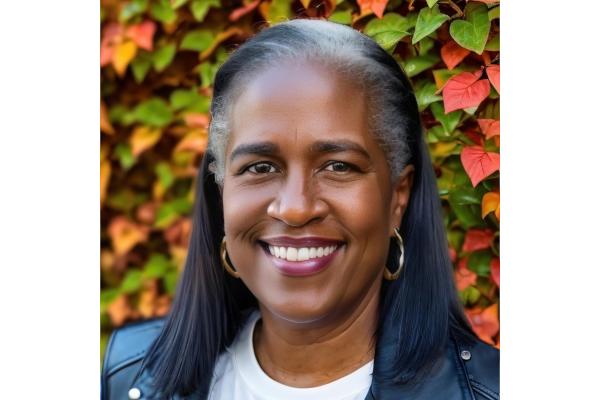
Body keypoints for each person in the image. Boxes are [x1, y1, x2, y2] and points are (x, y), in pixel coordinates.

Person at [101, 18, 499, 400]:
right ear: (221, 190)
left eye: (338, 166)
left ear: (398, 196)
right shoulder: (132, 375)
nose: (294, 208)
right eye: (260, 167)